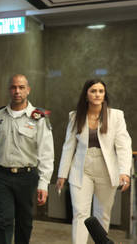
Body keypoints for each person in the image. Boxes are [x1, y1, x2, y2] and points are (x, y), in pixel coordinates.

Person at [56, 79, 132, 244]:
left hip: (106, 168)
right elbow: (68, 146)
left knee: (102, 214)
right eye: (93, 91)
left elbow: (124, 145)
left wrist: (125, 171)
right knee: (80, 213)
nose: (97, 94)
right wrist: (62, 174)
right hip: (81, 168)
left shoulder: (116, 116)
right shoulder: (75, 116)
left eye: (101, 91)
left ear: (104, 95)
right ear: (86, 94)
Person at [0, 74, 54, 244]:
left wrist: (44, 183)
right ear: (9, 90)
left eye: (21, 87)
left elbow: (46, 152)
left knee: (24, 222)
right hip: (1, 176)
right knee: (3, 221)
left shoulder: (39, 117)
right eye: (13, 87)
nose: (17, 91)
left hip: (26, 177)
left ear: (28, 90)